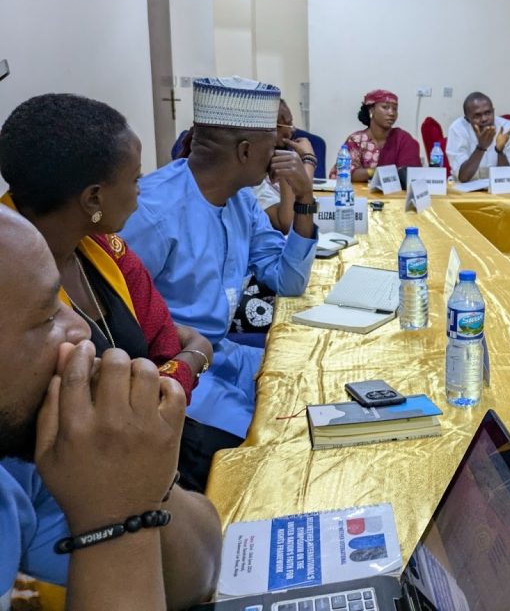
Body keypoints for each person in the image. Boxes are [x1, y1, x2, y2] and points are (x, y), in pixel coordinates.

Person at [0, 208, 221, 611]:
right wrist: (116, 521)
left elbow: (195, 579)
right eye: (48, 316)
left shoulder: (21, 462)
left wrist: (139, 483)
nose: (80, 330)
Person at [120, 77, 318, 462]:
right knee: (269, 448)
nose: (278, 153)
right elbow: (120, 326)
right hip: (176, 369)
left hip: (223, 352)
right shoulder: (153, 213)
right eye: (272, 146)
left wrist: (305, 197)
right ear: (245, 151)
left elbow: (288, 281)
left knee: (312, 385)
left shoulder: (240, 201)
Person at [0, 94, 213, 405]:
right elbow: (99, 405)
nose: (140, 189)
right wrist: (195, 356)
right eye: (135, 178)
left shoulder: (105, 248)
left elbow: (163, 339)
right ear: (93, 199)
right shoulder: (11, 283)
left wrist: (179, 365)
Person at [254, 99, 318, 234]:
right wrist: (309, 161)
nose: (293, 129)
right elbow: (290, 224)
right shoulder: (251, 178)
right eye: (288, 124)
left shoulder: (271, 163)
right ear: (270, 128)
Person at [332, 89, 421, 182]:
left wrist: (365, 173)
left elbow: (412, 175)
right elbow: (344, 173)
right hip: (359, 191)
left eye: (395, 109)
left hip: (396, 192)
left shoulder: (403, 140)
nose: (391, 113)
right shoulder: (356, 140)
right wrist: (375, 172)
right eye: (385, 107)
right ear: (371, 110)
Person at [446, 91, 510, 182]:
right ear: (467, 119)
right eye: (477, 115)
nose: (484, 119)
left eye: (487, 113)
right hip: (465, 188)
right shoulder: (457, 129)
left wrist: (500, 151)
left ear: (493, 111)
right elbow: (463, 177)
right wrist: (481, 148)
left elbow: (509, 177)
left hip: (499, 187)